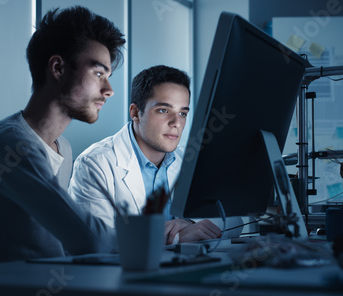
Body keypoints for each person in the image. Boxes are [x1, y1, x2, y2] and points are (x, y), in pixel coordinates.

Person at [0, 6, 126, 265]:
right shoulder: (11, 144)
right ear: (58, 68)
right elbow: (88, 238)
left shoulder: (63, 148)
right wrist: (162, 238)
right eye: (98, 74)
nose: (109, 90)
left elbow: (66, 239)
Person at [69, 65, 235, 248]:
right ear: (135, 113)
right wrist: (179, 238)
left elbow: (235, 217)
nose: (176, 123)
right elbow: (96, 242)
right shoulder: (94, 163)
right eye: (164, 110)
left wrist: (191, 224)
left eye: (183, 113)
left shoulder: (190, 158)